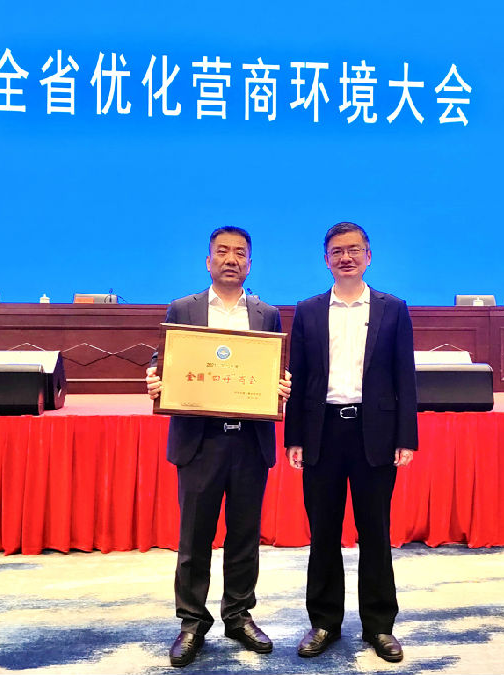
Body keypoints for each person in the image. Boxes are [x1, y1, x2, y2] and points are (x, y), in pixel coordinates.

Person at [145, 226, 290, 668]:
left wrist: (281, 385)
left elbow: (275, 367)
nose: (231, 259)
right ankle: (192, 622)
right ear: (208, 261)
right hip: (200, 441)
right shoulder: (183, 308)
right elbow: (164, 358)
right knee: (195, 538)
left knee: (244, 536)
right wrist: (156, 378)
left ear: (250, 263)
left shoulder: (267, 314)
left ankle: (238, 616)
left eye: (240, 253)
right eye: (222, 252)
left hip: (249, 441)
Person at [284, 222, 418, 663]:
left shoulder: (392, 309)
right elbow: (299, 377)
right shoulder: (307, 311)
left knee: (375, 533)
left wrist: (406, 436)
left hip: (373, 433)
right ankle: (324, 622)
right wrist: (294, 436)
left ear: (368, 256)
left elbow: (404, 377)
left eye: (354, 250)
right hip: (322, 432)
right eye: (338, 251)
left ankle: (379, 626)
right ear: (326, 259)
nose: (346, 257)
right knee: (323, 533)